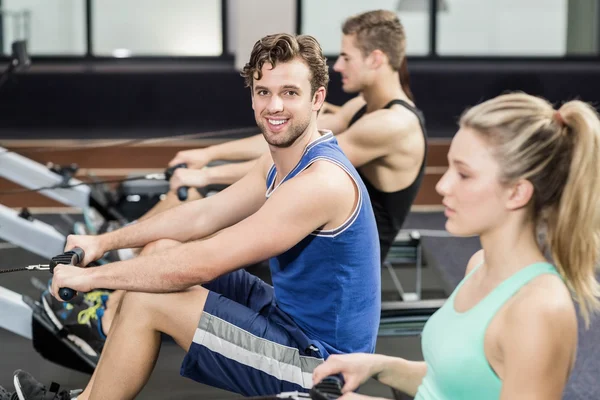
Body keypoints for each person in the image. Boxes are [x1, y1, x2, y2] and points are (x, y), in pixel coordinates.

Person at [2, 32, 381, 400]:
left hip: (320, 365)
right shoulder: (281, 160)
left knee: (149, 299)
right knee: (160, 249)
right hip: (286, 317)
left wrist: (93, 277)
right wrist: (103, 241)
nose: (274, 106)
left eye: (289, 93)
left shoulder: (320, 181)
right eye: (263, 92)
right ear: (251, 96)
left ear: (318, 99)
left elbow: (202, 263)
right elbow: (205, 214)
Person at [40, 9, 427, 358]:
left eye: (347, 55)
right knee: (175, 232)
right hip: (301, 262)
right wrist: (208, 161)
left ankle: (109, 307)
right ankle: (112, 300)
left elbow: (288, 138)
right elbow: (279, 138)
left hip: (327, 283)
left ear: (375, 59)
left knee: (173, 269)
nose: (340, 64)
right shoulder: (361, 108)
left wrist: (208, 172)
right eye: (263, 93)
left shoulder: (385, 128)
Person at [311, 92, 600, 400]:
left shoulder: (539, 310)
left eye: (463, 174)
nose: (442, 185)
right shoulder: (479, 264)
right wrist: (381, 366)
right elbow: (456, 384)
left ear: (517, 193)